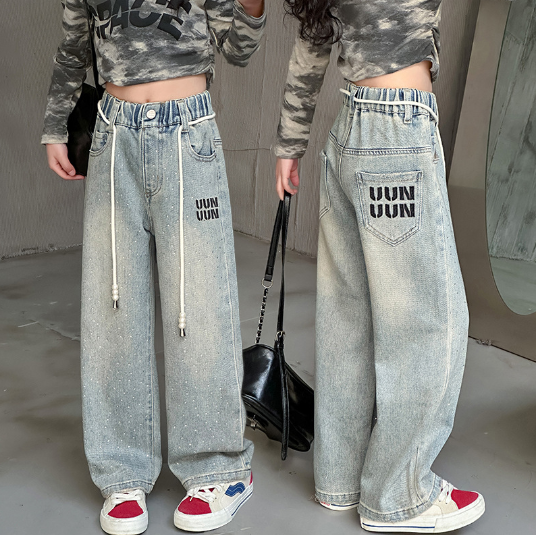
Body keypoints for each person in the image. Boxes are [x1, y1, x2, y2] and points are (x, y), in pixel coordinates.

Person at [42, 1, 265, 533]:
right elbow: (73, 45)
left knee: (200, 302)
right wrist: (55, 126)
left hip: (188, 131)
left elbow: (239, 48)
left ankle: (218, 468)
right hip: (113, 134)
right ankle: (122, 471)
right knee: (112, 305)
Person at [274, 1, 485, 532]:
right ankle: (398, 496)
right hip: (399, 129)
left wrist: (289, 144)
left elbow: (312, 41)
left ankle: (339, 480)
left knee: (349, 319)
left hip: (349, 127)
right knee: (429, 322)